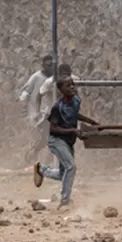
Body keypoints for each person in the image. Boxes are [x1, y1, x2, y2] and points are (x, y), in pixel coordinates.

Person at [32, 77, 99, 209]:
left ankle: (42, 170)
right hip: (56, 140)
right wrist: (73, 130)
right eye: (68, 86)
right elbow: (53, 128)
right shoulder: (58, 107)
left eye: (73, 85)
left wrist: (92, 122)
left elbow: (75, 114)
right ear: (61, 90)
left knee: (64, 174)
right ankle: (65, 201)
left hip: (68, 141)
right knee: (71, 167)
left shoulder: (76, 101)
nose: (72, 87)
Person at [20, 56, 56, 163]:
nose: (51, 67)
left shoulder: (55, 78)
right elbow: (26, 92)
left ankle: (35, 153)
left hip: (51, 112)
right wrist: (25, 105)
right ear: (43, 66)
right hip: (38, 114)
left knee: (48, 138)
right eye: (48, 65)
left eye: (53, 65)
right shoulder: (36, 77)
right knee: (49, 136)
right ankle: (46, 159)